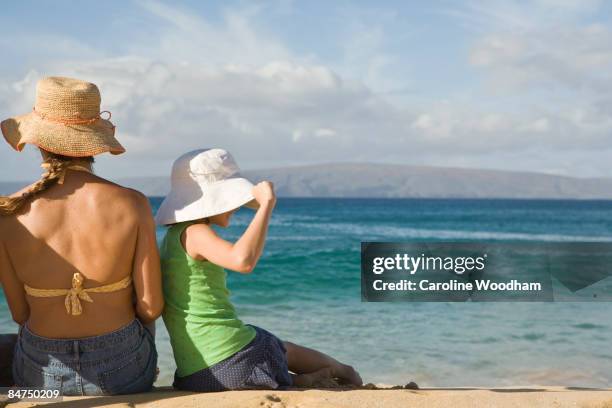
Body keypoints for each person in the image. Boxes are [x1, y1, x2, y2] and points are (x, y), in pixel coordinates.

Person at [0, 76, 163, 395]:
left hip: (41, 375)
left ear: (38, 141)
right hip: (123, 372)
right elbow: (150, 307)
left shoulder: (9, 213)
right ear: (93, 142)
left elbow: (20, 314)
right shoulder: (133, 203)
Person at [156, 148, 362, 392]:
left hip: (197, 375)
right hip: (233, 360)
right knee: (276, 347)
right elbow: (243, 261)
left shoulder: (171, 239)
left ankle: (295, 380)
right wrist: (266, 206)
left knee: (262, 346)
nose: (234, 207)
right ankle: (343, 370)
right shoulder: (195, 233)